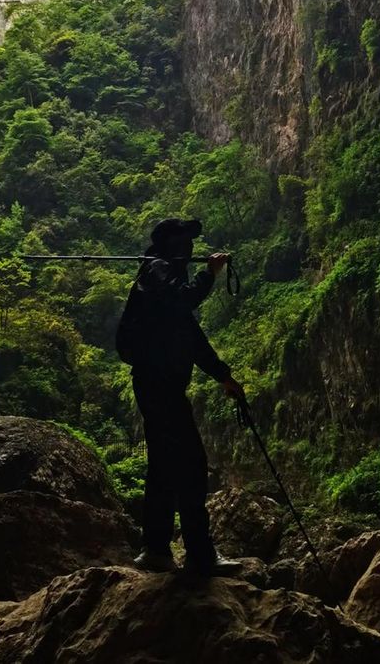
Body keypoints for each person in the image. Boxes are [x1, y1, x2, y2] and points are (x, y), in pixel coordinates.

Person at [116, 217, 245, 576]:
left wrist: (224, 377)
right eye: (185, 240)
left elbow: (192, 339)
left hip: (159, 385)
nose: (190, 247)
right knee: (189, 464)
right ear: (171, 244)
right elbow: (183, 303)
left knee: (163, 466)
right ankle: (199, 554)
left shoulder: (163, 279)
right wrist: (211, 274)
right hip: (159, 385)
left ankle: (157, 549)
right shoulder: (157, 272)